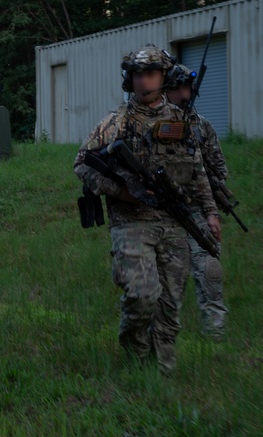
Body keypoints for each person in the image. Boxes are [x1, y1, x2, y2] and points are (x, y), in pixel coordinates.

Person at [73, 46, 221, 374]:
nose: (143, 81)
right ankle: (134, 349)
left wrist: (210, 212)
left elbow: (196, 169)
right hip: (131, 222)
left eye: (151, 74)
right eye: (138, 74)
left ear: (163, 76)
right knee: (142, 295)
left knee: (170, 305)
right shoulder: (116, 122)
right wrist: (124, 191)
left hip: (172, 222)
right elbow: (82, 164)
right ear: (130, 78)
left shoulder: (180, 120)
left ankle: (162, 372)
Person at [164, 64, 229, 338]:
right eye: (177, 88)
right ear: (166, 91)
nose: (183, 93)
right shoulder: (159, 127)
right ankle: (166, 334)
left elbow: (219, 169)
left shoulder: (203, 127)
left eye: (187, 87)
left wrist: (214, 201)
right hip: (168, 213)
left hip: (200, 211)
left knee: (210, 270)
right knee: (170, 277)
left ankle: (215, 332)